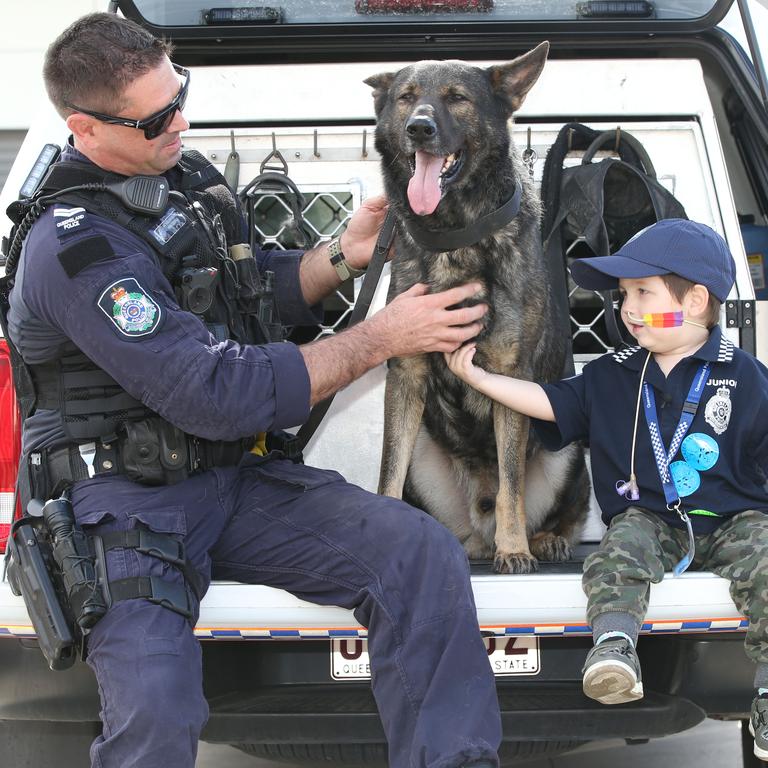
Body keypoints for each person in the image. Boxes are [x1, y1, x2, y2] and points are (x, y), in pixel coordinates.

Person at [3, 12, 502, 768]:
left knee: (418, 553)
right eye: (159, 117)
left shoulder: (180, 185)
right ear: (86, 126)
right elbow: (210, 389)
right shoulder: (75, 251)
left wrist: (340, 254)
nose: (182, 122)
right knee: (157, 707)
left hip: (232, 479)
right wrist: (383, 338)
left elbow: (243, 295)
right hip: (123, 505)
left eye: (181, 95)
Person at [445, 218, 768, 761]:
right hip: (651, 518)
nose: (628, 309)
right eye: (623, 296)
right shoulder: (614, 373)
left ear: (694, 302)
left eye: (644, 293)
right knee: (618, 553)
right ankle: (615, 648)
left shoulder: (746, 375)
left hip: (738, 519)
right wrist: (481, 379)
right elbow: (551, 403)